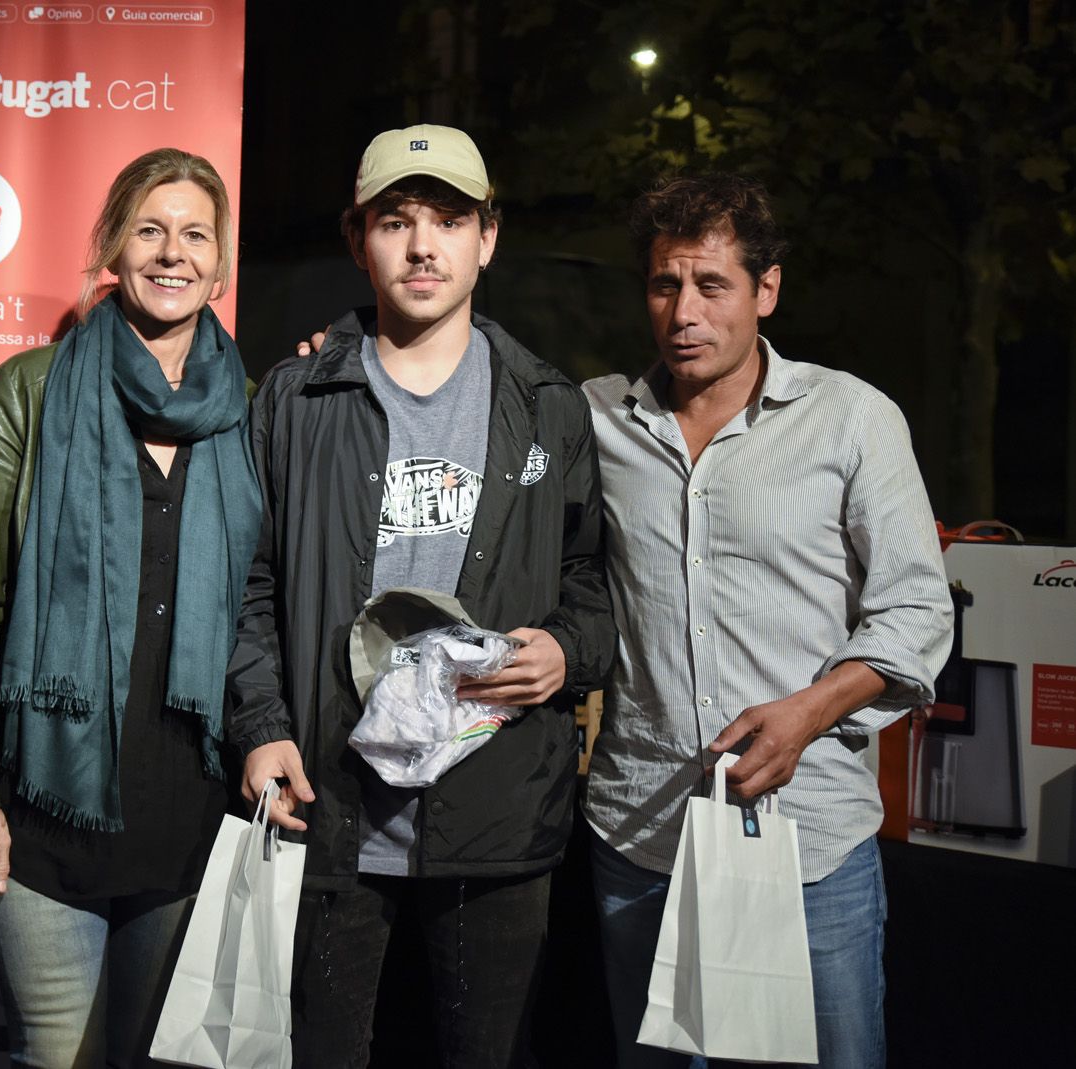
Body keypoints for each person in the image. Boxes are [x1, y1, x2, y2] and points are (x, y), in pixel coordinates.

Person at [230, 124, 616, 1068]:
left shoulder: (549, 405)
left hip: (496, 806)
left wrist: (568, 650)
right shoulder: (294, 398)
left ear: (488, 237)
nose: (421, 246)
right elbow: (246, 584)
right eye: (395, 220)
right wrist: (262, 726)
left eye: (448, 220)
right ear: (357, 238)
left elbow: (593, 584)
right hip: (326, 801)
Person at [582, 173, 953, 1068]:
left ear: (767, 289)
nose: (684, 312)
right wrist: (354, 349)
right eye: (666, 284)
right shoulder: (594, 419)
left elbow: (915, 610)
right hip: (642, 839)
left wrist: (808, 713)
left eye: (712, 285)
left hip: (806, 844)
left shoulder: (852, 418)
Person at [0, 147, 258, 1068]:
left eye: (195, 235)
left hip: (193, 812)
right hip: (45, 810)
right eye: (149, 229)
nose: (172, 252)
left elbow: (262, 609)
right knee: (59, 1056)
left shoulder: (254, 408)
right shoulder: (31, 390)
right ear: (113, 246)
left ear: (221, 263)